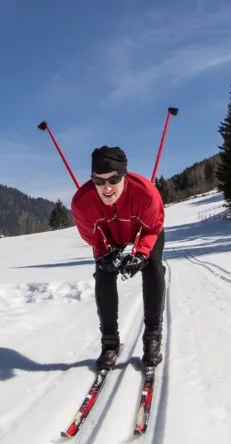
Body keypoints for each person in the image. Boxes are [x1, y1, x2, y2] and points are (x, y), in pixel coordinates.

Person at [70, 145, 166, 369]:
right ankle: (109, 342)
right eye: (99, 180)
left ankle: (152, 336)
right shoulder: (81, 202)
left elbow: (152, 229)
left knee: (152, 266)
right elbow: (92, 236)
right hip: (110, 234)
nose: (107, 187)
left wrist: (140, 254)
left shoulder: (147, 194)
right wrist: (105, 254)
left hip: (143, 229)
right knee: (104, 272)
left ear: (124, 175)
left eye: (113, 179)